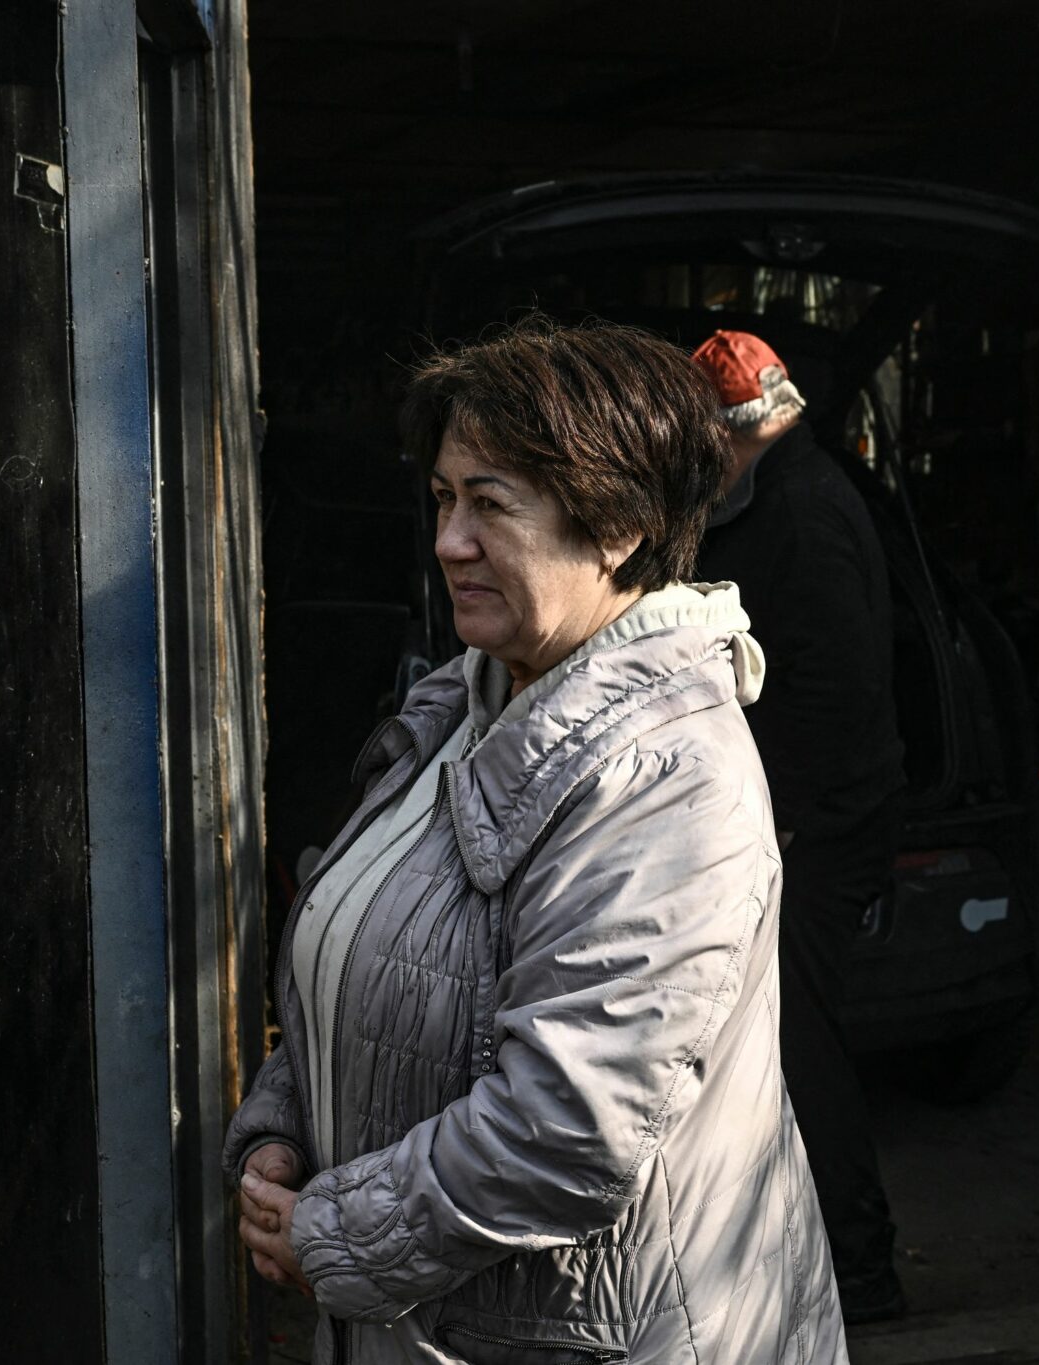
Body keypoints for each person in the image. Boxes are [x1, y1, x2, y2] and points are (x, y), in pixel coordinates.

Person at [224, 318, 848, 1363]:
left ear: (613, 528)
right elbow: (364, 961)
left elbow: (567, 1127)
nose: (446, 541)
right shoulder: (463, 708)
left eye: (489, 504)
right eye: (441, 498)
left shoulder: (664, 778)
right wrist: (284, 1130)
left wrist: (331, 1231)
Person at [689, 329, 908, 1323]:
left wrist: (779, 825)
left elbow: (831, 693)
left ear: (740, 433)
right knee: (781, 1046)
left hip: (811, 832)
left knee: (799, 1050)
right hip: (806, 820)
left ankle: (858, 1272)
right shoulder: (783, 497)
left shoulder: (802, 516)